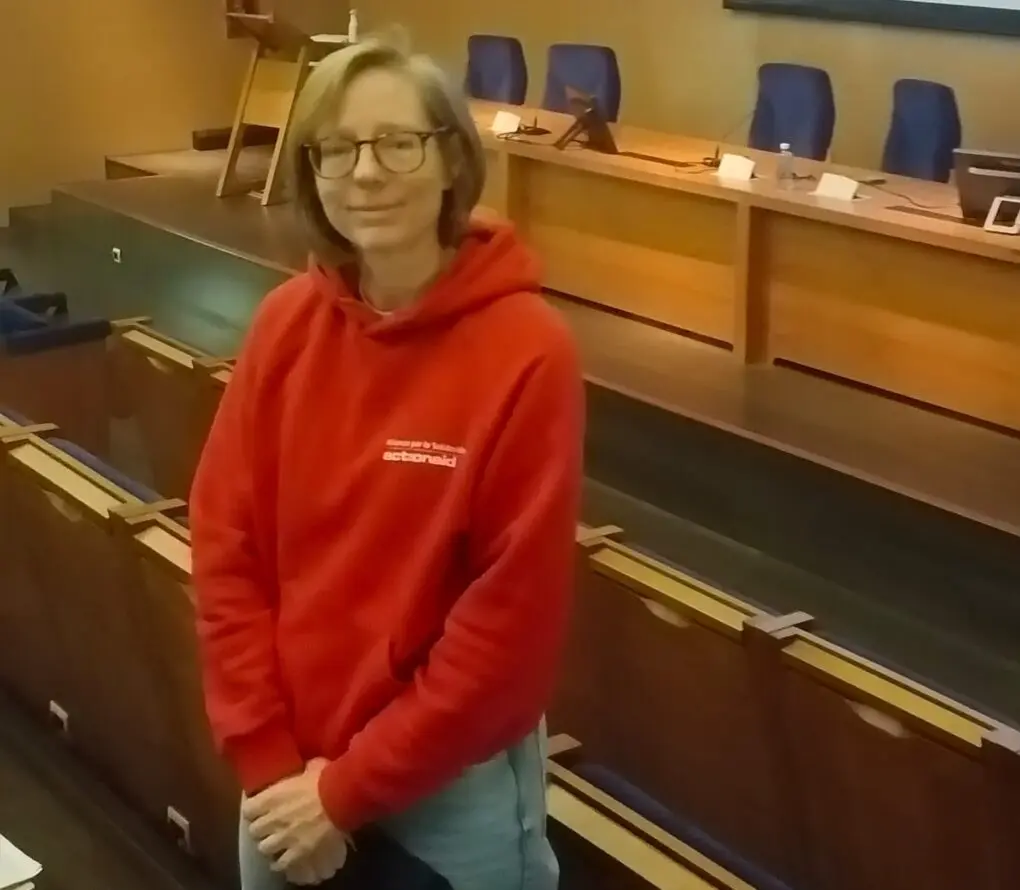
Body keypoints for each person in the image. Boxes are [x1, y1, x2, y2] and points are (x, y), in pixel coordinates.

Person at [189, 35, 584, 890]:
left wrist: (344, 794)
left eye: (398, 143)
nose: (366, 173)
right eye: (337, 148)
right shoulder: (283, 324)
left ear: (451, 160)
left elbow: (507, 631)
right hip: (284, 776)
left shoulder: (529, 351)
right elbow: (226, 552)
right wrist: (269, 761)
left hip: (445, 783)